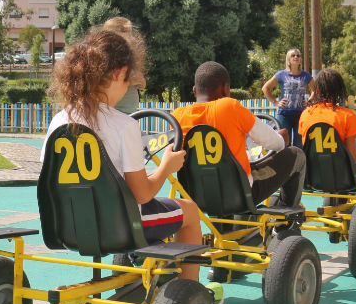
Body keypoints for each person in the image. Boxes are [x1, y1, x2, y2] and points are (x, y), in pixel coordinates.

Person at [43, 30, 203, 281]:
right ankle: (191, 290)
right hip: (121, 227)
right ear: (119, 74)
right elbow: (141, 194)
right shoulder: (124, 125)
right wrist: (166, 167)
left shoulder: (59, 122)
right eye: (128, 80)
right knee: (190, 211)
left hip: (68, 227)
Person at [173, 61, 307, 211]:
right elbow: (275, 144)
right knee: (296, 154)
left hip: (196, 196)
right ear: (225, 89)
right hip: (239, 194)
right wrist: (282, 138)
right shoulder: (230, 106)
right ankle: (286, 222)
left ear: (194, 91)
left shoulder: (177, 116)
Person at [297, 69, 356, 185]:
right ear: (340, 90)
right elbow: (353, 159)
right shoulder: (347, 116)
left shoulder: (306, 114)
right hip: (343, 178)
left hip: (312, 177)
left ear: (317, 90)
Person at [262, 49, 312, 148]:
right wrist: (276, 102)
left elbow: (316, 89)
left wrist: (309, 101)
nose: (296, 57)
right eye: (293, 55)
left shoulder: (306, 75)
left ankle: (299, 163)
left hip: (300, 115)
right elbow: (265, 88)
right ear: (288, 59)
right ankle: (285, 163)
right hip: (284, 115)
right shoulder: (281, 74)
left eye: (298, 55)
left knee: (299, 145)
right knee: (283, 144)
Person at [97, 17, 147, 115]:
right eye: (125, 32)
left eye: (130, 32)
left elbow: (142, 85)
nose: (131, 37)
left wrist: (141, 81)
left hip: (130, 113)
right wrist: (129, 81)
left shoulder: (129, 56)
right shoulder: (105, 56)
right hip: (112, 113)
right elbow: (104, 83)